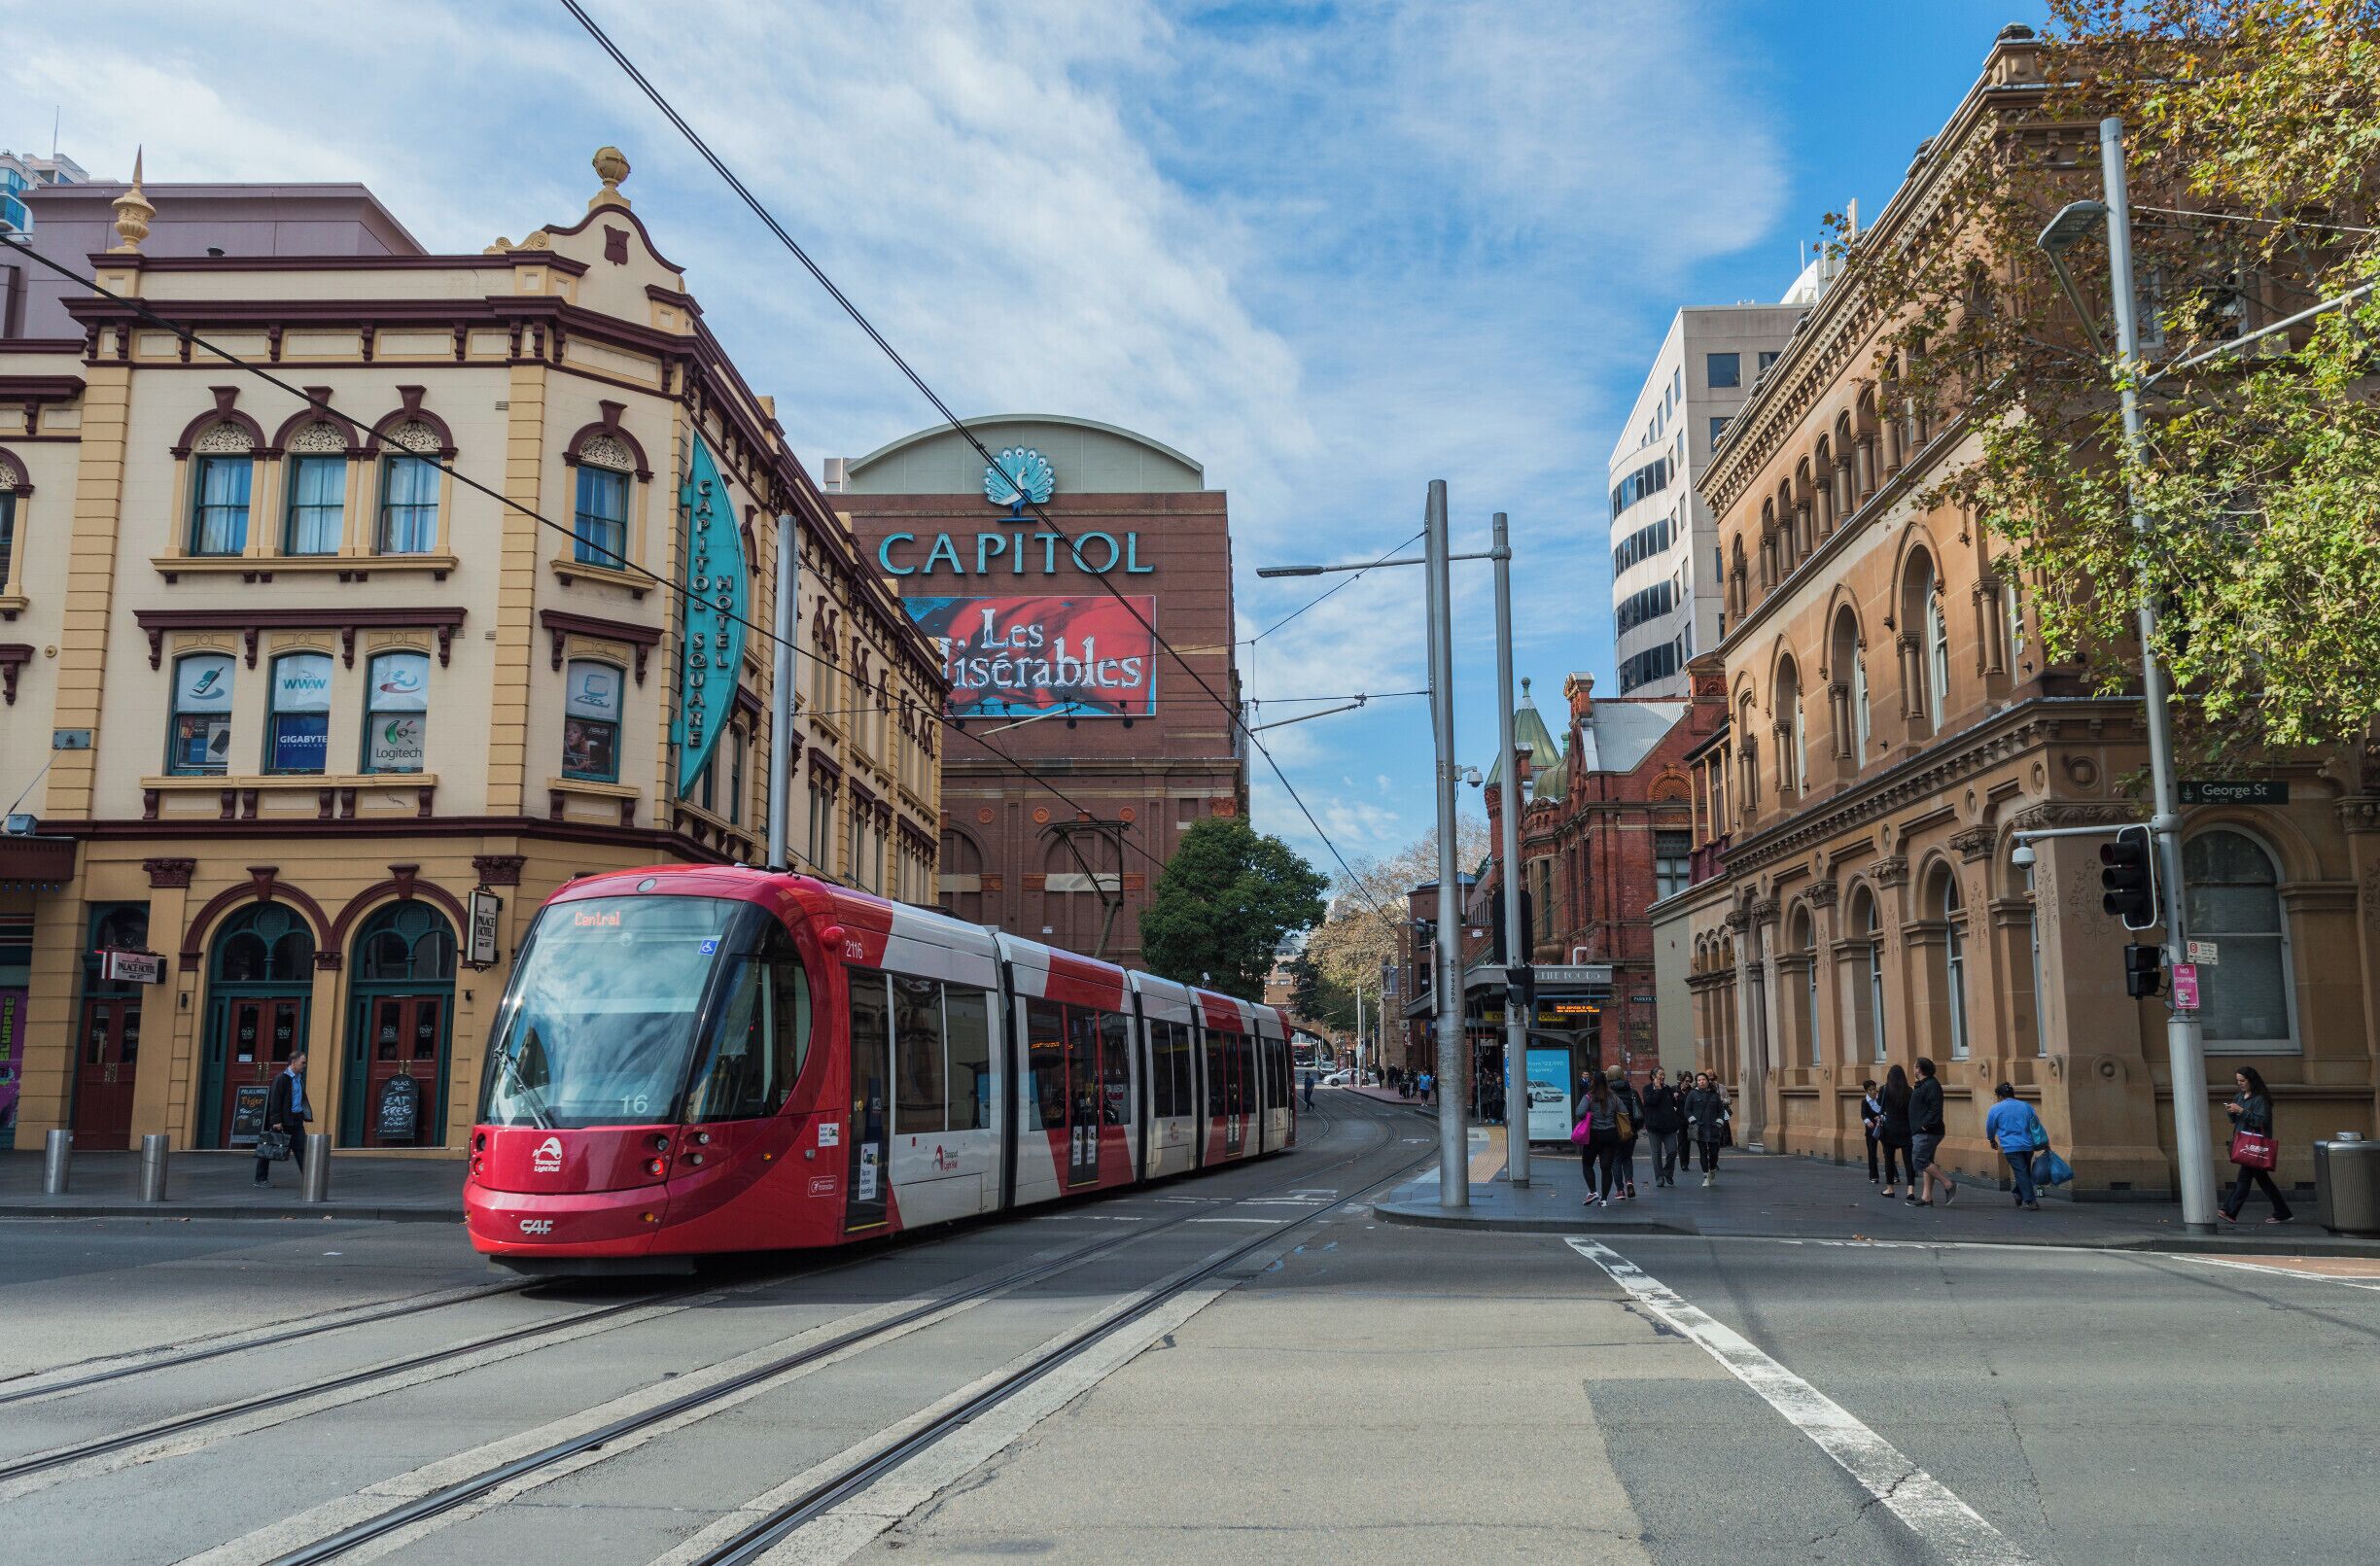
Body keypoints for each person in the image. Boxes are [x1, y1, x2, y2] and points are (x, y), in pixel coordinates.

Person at [2221, 1066, 2293, 1224]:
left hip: (2254, 1145)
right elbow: (2234, 1120)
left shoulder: (2260, 1099)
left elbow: (2261, 1121)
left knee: (2243, 1180)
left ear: (2251, 1080)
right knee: (2263, 1181)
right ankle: (2282, 1211)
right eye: (2237, 1081)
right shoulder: (2239, 1096)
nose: (2239, 1084)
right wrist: (2231, 1111)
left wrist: (2241, 1111)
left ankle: (2230, 1211)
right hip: (2244, 1143)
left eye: (2242, 1080)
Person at [1981, 1081, 2045, 1210]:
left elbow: (1990, 1126)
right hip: (2027, 1145)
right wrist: (2043, 1141)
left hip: (2011, 1147)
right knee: (2024, 1171)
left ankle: (2029, 1200)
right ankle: (2019, 1193)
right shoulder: (2026, 1106)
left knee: (2022, 1172)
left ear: (1999, 1096)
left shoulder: (1996, 1108)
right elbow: (2035, 1125)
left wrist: (1991, 1140)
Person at [254, 1049, 311, 1187]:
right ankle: (260, 1179)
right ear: (294, 1062)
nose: (305, 1065)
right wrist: (276, 1121)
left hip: (296, 1119)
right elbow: (275, 1101)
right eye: (303, 1063)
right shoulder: (281, 1078)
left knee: (301, 1148)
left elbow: (300, 1098)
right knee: (268, 1148)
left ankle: (309, 1178)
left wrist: (305, 1113)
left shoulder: (299, 1079)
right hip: (283, 1120)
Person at [1910, 1057, 1958, 1207]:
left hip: (1928, 1132)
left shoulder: (1931, 1085)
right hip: (1923, 1130)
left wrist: (1926, 1125)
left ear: (1919, 1069)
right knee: (1927, 1161)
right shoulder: (1923, 1084)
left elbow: (1935, 1108)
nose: (1913, 1069)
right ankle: (1926, 1197)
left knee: (1919, 1160)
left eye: (1914, 1066)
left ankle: (1948, 1184)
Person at [1577, 1069, 1623, 1206]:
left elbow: (1579, 1112)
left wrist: (1589, 1116)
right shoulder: (1613, 1096)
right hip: (1610, 1134)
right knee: (1606, 1168)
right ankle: (1604, 1200)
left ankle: (1593, 1191)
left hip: (1593, 1135)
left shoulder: (1589, 1097)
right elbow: (1624, 1110)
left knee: (1587, 1164)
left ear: (1593, 1082)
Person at [1682, 1070, 1728, 1186]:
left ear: (1707, 1081)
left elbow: (1721, 1111)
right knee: (1702, 1152)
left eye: (1703, 1080)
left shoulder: (1714, 1094)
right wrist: (1693, 1120)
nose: (1701, 1082)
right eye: (1699, 1080)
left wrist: (1719, 1122)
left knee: (1714, 1153)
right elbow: (1687, 1110)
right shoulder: (1692, 1094)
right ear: (1696, 1082)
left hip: (1713, 1128)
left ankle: (1712, 1169)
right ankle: (1706, 1176)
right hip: (1699, 1127)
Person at [1641, 1067, 1684, 1188]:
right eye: (1660, 1074)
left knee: (1672, 1151)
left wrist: (1676, 1097)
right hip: (1654, 1127)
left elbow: (1674, 1104)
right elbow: (1651, 1101)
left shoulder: (1668, 1089)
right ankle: (1659, 1177)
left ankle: (1668, 1172)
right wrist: (1658, 1090)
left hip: (1669, 1126)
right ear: (1653, 1076)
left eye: (1664, 1074)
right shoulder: (1647, 1089)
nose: (1663, 1077)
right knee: (1656, 1153)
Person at [1877, 1064, 1914, 1199]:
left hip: (1889, 1128)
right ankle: (1910, 1190)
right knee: (1908, 1160)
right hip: (1906, 1128)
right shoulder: (1909, 1090)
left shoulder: (1885, 1089)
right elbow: (1912, 1110)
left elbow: (1879, 1107)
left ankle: (1890, 1189)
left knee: (1889, 1159)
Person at [1610, 1070, 1645, 1199]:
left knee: (1616, 1159)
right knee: (1627, 1158)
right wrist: (1635, 1129)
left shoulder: (1608, 1094)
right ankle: (1629, 1181)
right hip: (1630, 1132)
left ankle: (1620, 1190)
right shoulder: (1632, 1092)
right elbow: (1640, 1113)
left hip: (1613, 1132)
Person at [1860, 1078, 1885, 1184]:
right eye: (1870, 1090)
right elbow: (1863, 1115)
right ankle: (1873, 1176)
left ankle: (1894, 1175)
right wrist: (1868, 1122)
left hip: (1883, 1128)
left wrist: (1882, 1117)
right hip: (1871, 1131)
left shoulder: (1881, 1099)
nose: (1873, 1092)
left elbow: (1885, 1111)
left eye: (1874, 1089)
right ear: (1866, 1091)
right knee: (1872, 1153)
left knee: (1888, 1152)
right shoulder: (1865, 1102)